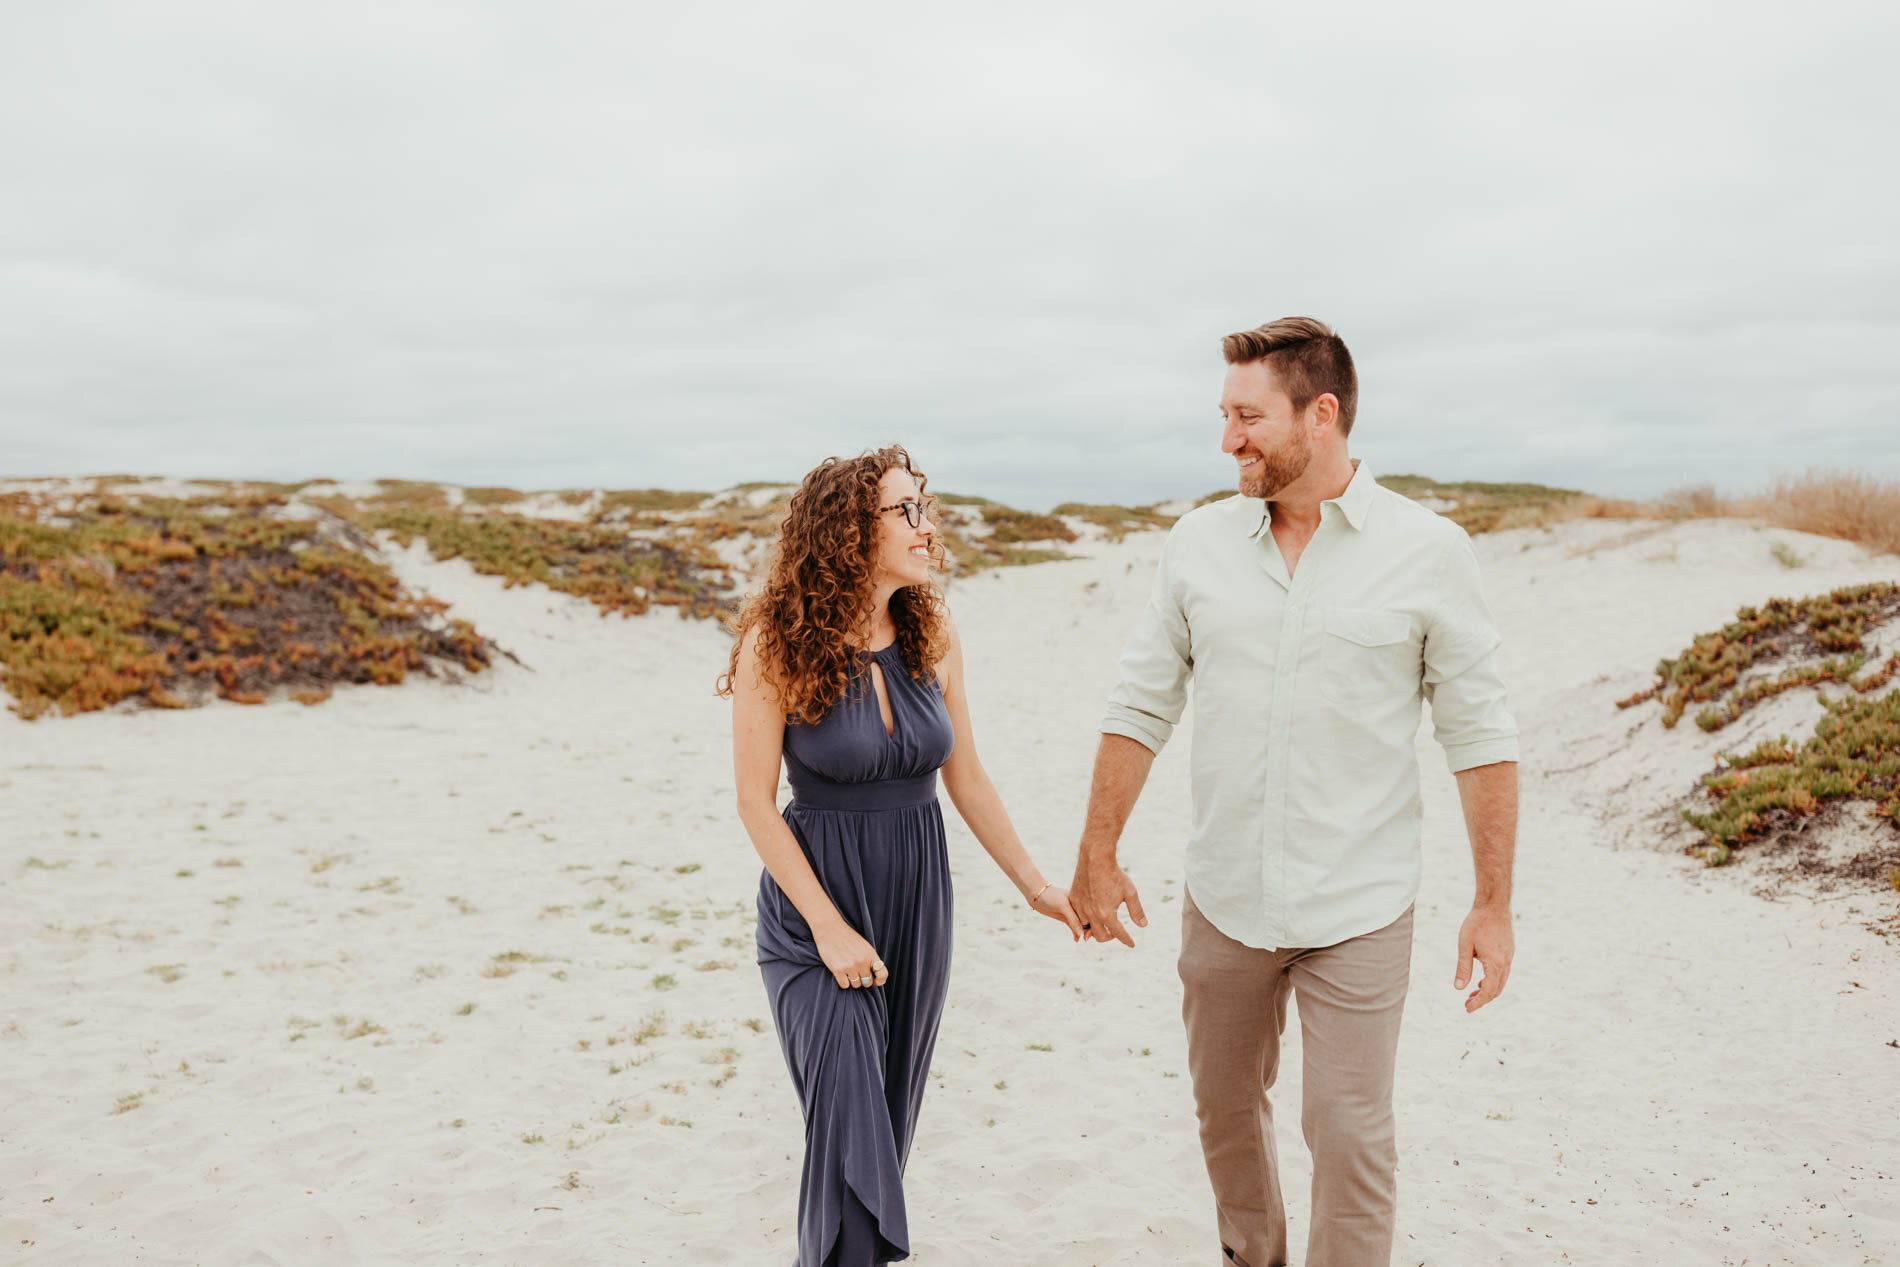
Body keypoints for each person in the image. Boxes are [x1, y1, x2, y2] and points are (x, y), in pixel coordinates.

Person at [1068, 318, 1520, 1267]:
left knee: (1350, 1134)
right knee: (1226, 1114)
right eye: (1224, 415)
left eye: (1247, 416)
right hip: (1224, 895)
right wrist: (1097, 852)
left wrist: (1492, 902)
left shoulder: (1430, 551)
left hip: (1359, 901)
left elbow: (1479, 739)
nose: (1228, 439)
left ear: (1322, 415)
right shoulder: (1197, 543)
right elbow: (1140, 702)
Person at [720, 445, 1084, 1267]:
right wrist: (829, 929)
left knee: (884, 1122)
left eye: (926, 505)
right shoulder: (776, 642)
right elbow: (754, 801)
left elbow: (968, 775)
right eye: (906, 511)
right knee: (849, 1119)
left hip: (918, 903)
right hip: (816, 912)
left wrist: (1036, 885)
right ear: (850, 529)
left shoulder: (932, 628)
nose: (927, 526)